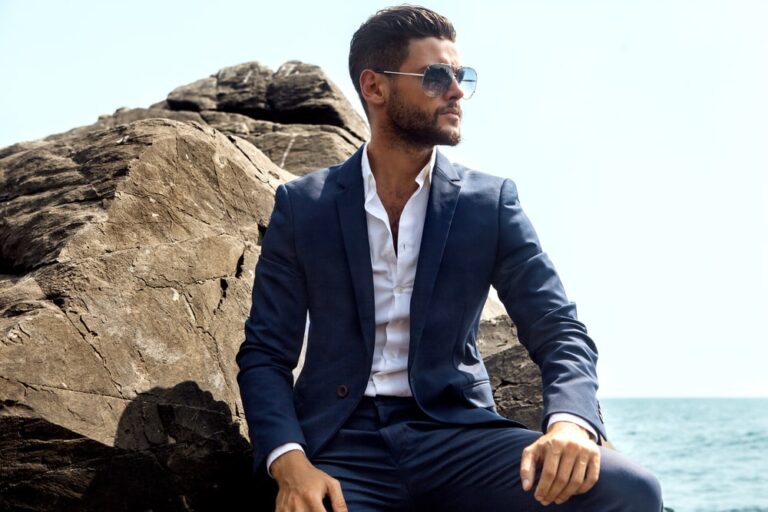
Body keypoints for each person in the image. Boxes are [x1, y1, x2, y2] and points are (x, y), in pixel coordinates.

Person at [237, 5, 662, 511]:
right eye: (437, 76)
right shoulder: (304, 206)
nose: (457, 91)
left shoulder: (489, 203)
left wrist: (570, 422)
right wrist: (290, 463)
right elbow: (265, 354)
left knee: (632, 490)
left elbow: (558, 329)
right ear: (375, 88)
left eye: (463, 77)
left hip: (458, 438)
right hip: (342, 447)